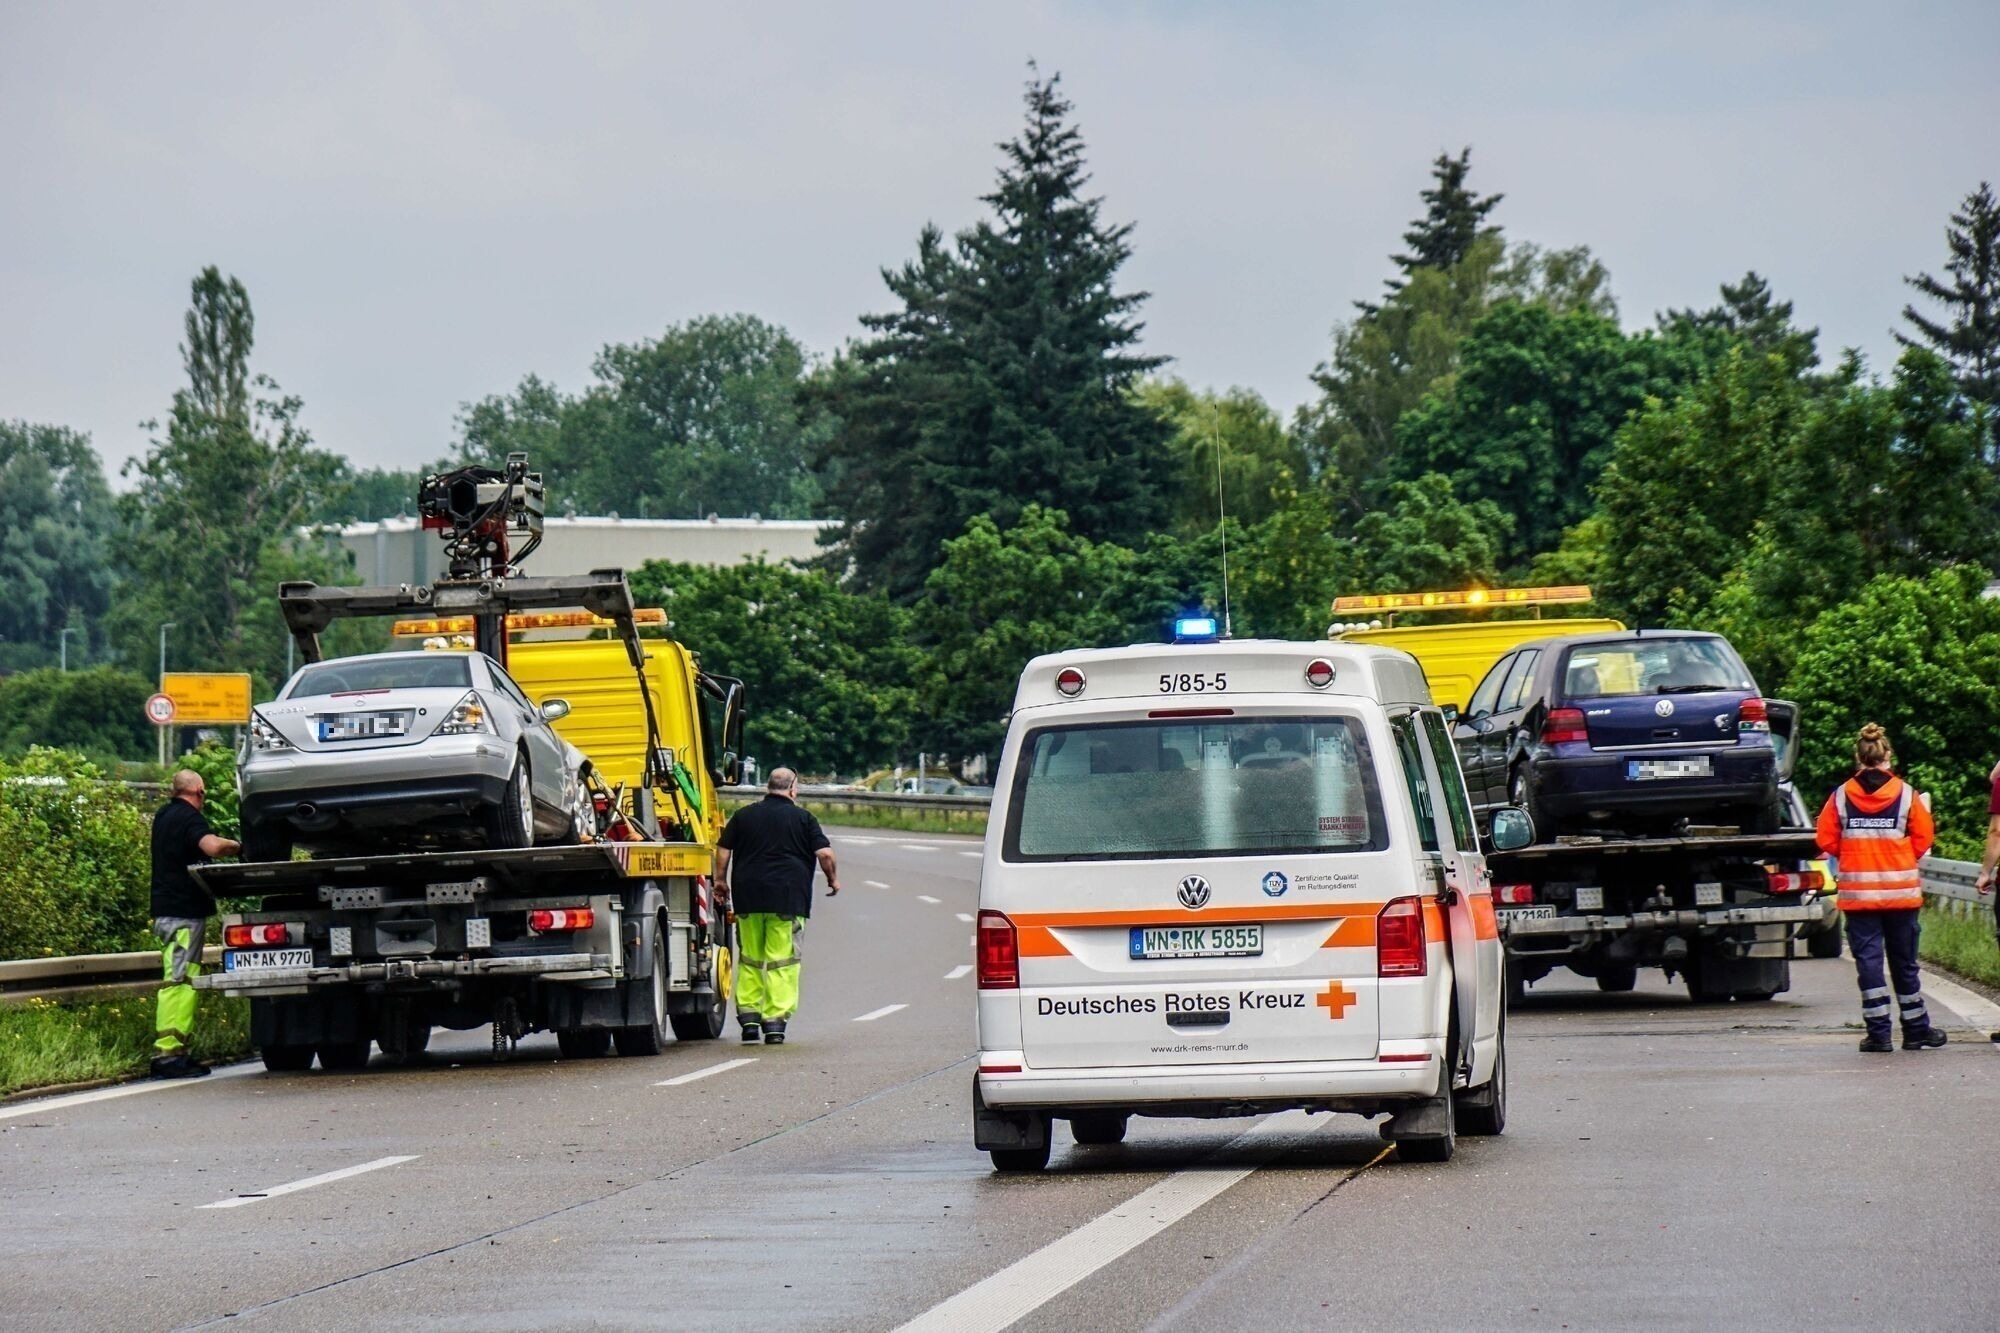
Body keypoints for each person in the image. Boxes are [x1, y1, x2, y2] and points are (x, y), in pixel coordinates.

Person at [1816, 724, 1945, 1053]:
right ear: (1887, 755)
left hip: (1860, 898)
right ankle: (1916, 1030)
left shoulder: (1841, 796)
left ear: (1858, 757)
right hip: (1901, 895)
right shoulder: (1906, 794)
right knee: (1905, 962)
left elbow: (1826, 839)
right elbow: (1924, 838)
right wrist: (1898, 856)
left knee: (1869, 964)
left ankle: (1879, 1034)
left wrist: (1855, 854)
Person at [714, 768, 838, 1046]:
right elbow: (825, 854)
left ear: (768, 786)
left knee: (750, 958)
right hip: (788, 899)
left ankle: (749, 1018)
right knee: (782, 960)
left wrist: (720, 880)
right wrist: (833, 879)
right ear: (792, 788)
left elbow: (723, 849)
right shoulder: (804, 818)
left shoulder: (743, 815)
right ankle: (774, 1022)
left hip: (748, 898)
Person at [149, 769, 241, 1078]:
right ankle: (168, 1055)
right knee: (179, 982)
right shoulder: (189, 818)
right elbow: (212, 847)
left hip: (167, 911)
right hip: (183, 915)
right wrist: (238, 847)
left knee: (179, 979)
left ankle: (176, 1052)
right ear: (199, 792)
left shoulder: (163, 816)